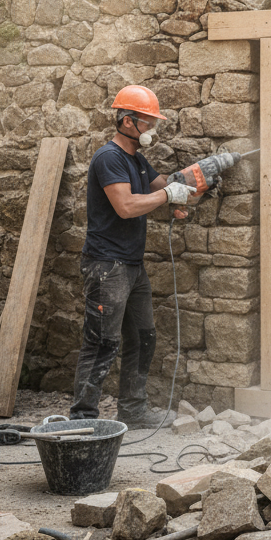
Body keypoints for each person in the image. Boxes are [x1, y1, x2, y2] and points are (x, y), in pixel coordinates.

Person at [70, 84, 198, 428]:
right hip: (106, 267)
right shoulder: (108, 158)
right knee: (101, 344)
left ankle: (133, 410)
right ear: (127, 122)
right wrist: (167, 196)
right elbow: (126, 207)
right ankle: (82, 420)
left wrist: (189, 184)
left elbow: (162, 186)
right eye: (147, 122)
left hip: (131, 266)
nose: (152, 129)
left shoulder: (136, 160)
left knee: (143, 337)